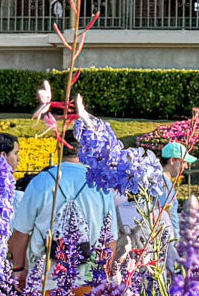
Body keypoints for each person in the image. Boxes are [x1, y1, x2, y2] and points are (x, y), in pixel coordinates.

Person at [7, 116, 125, 287]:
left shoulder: (41, 182)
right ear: (85, 151)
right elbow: (110, 241)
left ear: (58, 148)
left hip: (45, 281)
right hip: (87, 281)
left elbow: (20, 234)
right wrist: (102, 277)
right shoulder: (100, 186)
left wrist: (18, 268)